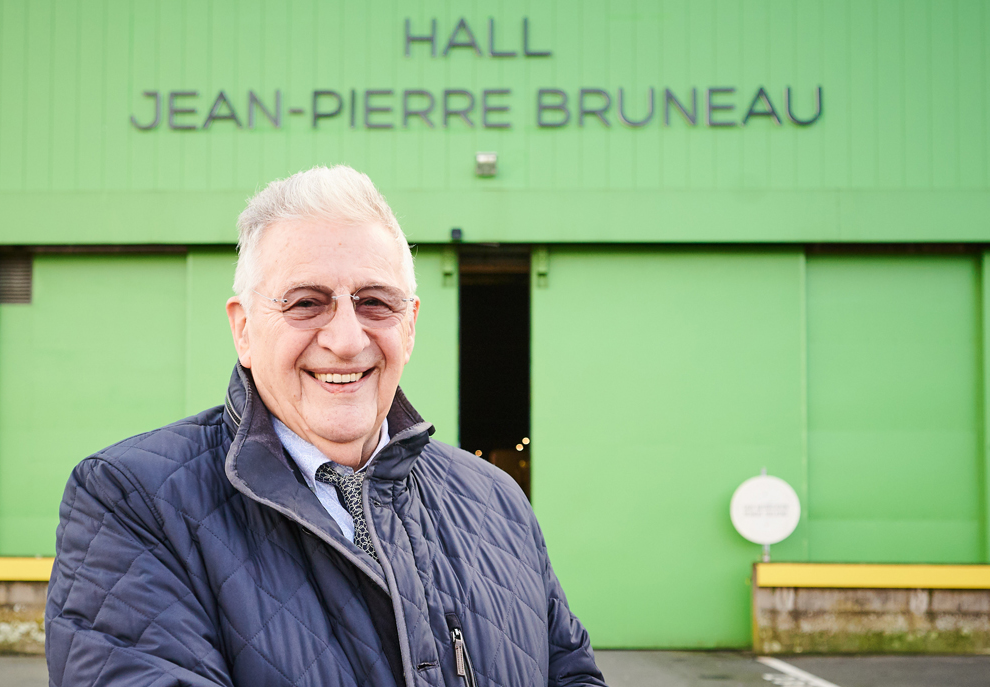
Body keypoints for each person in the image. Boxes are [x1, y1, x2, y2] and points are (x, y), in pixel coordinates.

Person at [44, 165, 605, 687]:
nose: (346, 339)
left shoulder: (495, 499)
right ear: (243, 330)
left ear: (408, 327)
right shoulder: (133, 502)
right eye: (306, 302)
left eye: (375, 303)